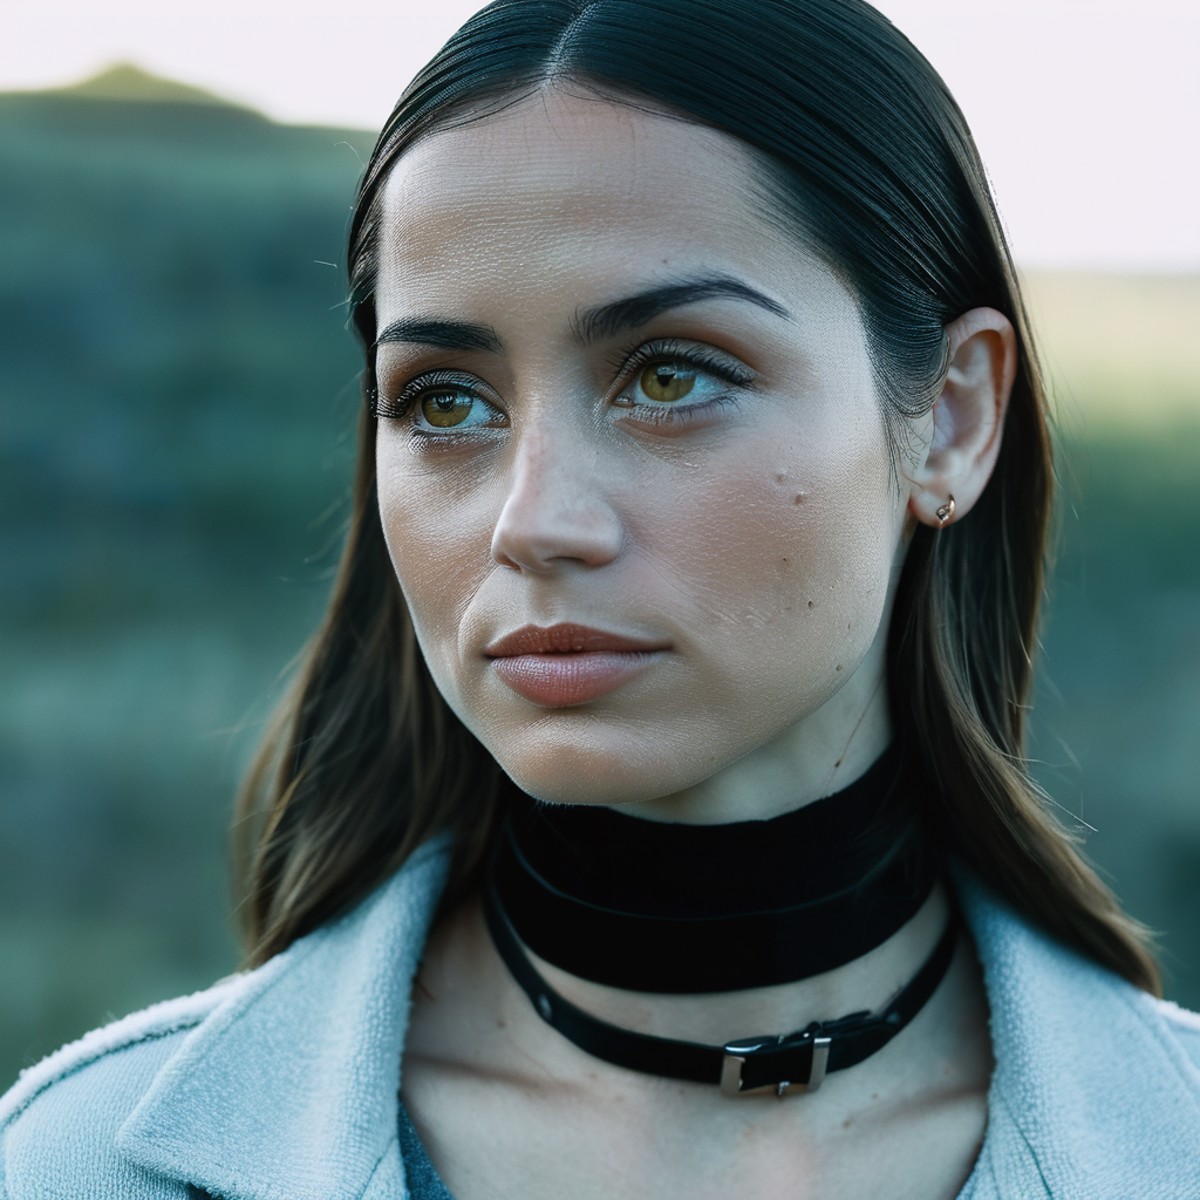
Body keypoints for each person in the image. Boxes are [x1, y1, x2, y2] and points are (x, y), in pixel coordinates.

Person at [3, 0, 1198, 1196]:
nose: (532, 521)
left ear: (952, 418)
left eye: (669, 375)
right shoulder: (82, 1167)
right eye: (445, 402)